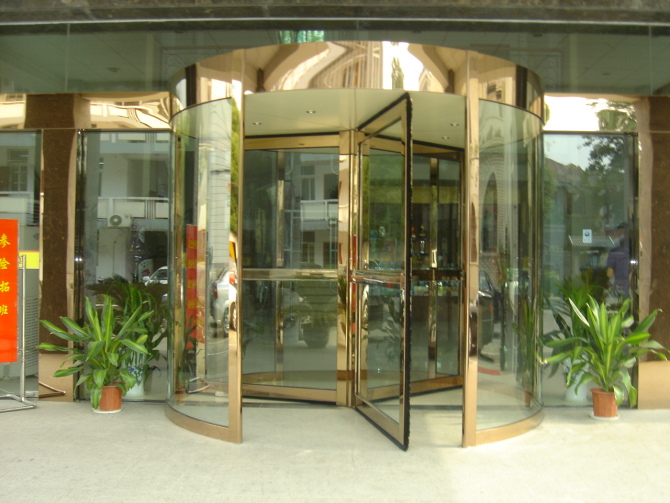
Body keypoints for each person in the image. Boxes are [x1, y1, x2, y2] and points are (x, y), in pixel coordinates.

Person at [606, 223, 630, 298]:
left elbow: (609, 274)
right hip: (632, 287)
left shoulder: (614, 253)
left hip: (619, 289)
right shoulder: (634, 251)